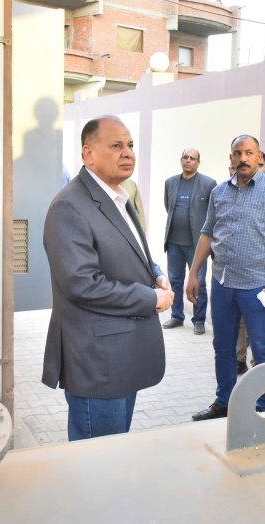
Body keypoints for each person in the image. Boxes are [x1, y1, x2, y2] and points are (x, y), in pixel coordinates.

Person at [42, 116, 174, 440]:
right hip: (98, 365)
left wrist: (156, 274)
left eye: (130, 145)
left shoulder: (118, 196)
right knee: (97, 461)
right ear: (88, 154)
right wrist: (151, 299)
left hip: (122, 358)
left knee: (115, 455)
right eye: (116, 146)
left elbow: (130, 250)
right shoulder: (70, 207)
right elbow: (82, 284)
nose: (127, 152)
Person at [186, 135, 265, 420]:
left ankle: (264, 409)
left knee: (262, 350)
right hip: (222, 283)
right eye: (237, 153)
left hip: (259, 287)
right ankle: (224, 402)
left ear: (259, 157)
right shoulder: (219, 193)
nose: (243, 158)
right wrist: (193, 273)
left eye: (249, 153)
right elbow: (207, 233)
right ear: (231, 158)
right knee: (223, 347)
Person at [162, 148, 216, 335]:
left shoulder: (208, 184)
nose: (188, 161)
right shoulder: (170, 183)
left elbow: (212, 213)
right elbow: (168, 206)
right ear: (181, 160)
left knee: (199, 282)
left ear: (198, 163)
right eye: (185, 157)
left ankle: (199, 320)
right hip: (174, 243)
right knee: (175, 281)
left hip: (197, 244)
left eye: (192, 158)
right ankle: (177, 316)